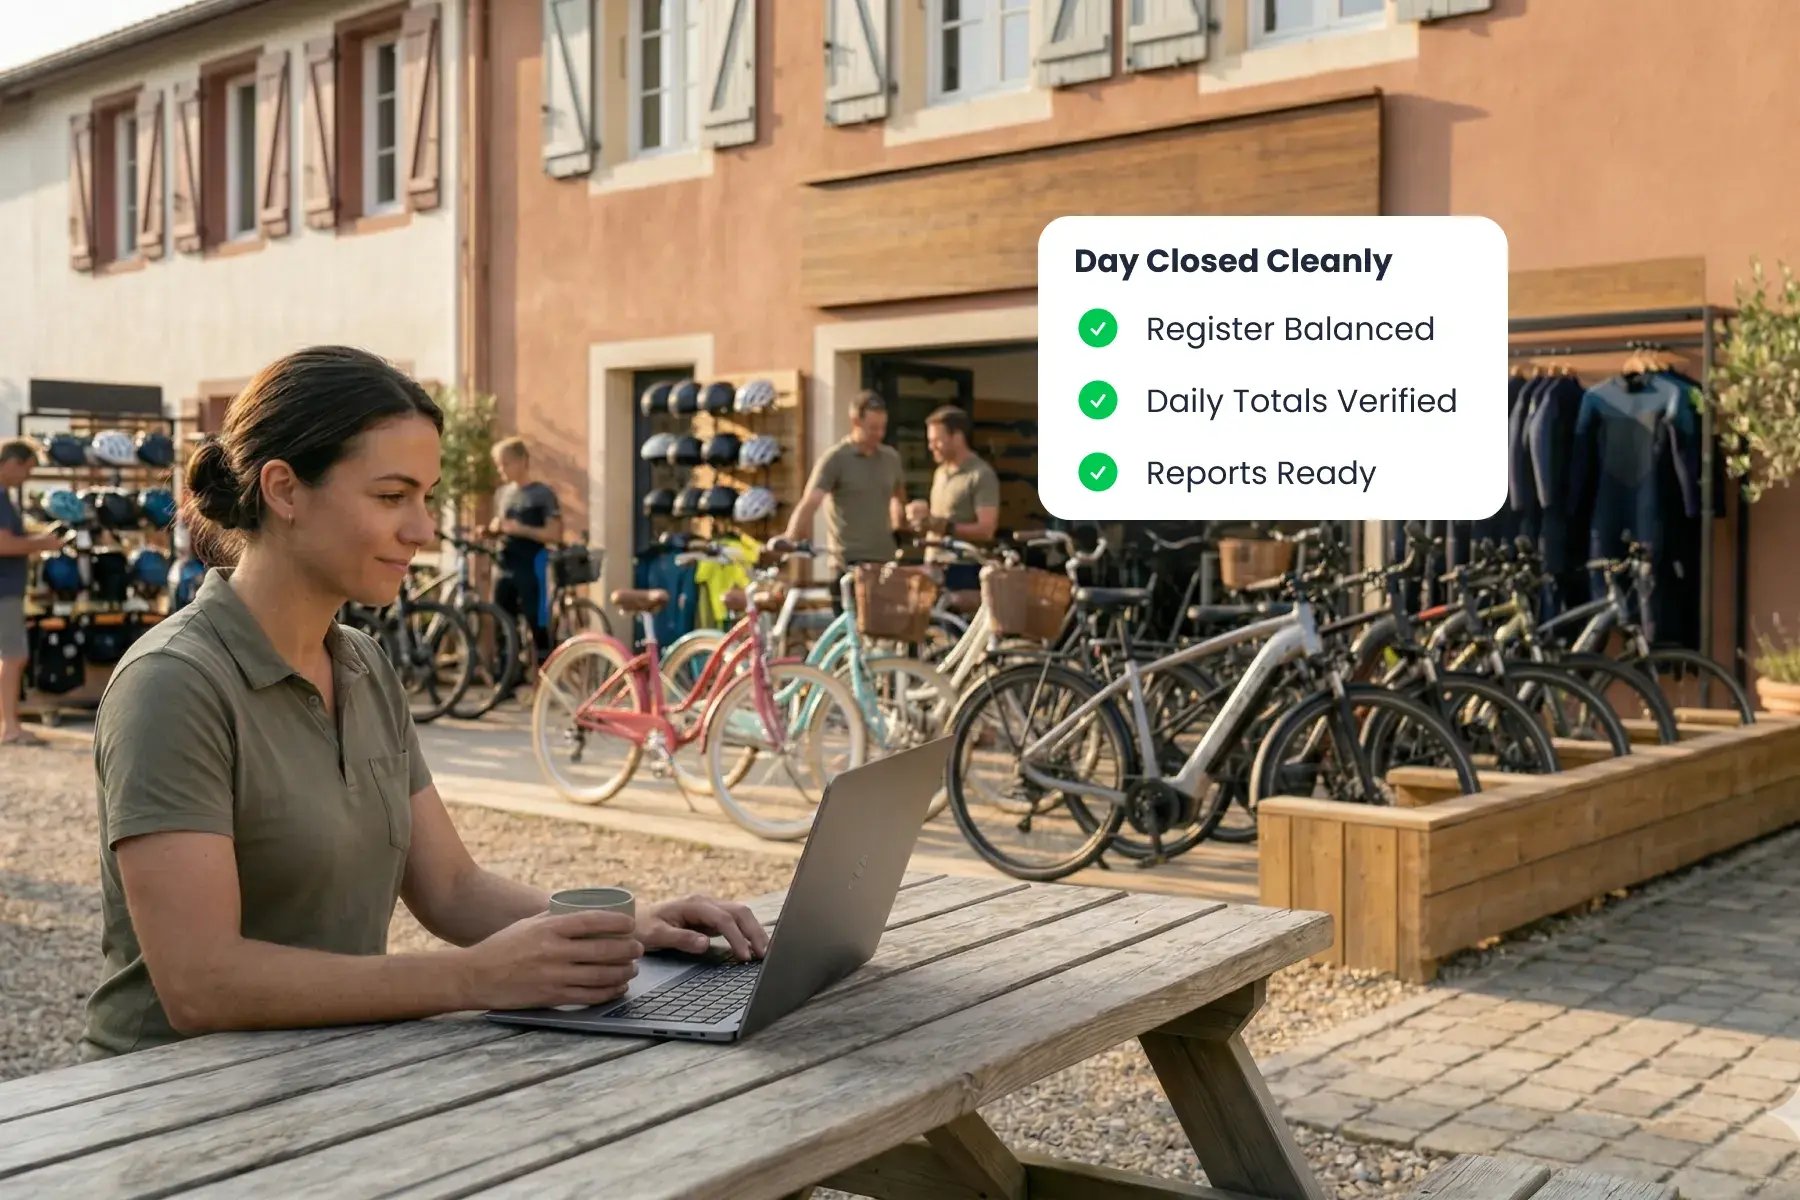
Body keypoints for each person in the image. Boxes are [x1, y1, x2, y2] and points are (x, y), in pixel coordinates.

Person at [84, 347, 767, 1060]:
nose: (424, 530)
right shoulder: (172, 683)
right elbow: (202, 984)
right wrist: (472, 978)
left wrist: (630, 926)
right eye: (391, 497)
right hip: (170, 1107)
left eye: (427, 497)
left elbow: (450, 887)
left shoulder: (361, 663)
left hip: (324, 1074)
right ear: (283, 491)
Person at [777, 391, 906, 593]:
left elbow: (898, 498)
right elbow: (811, 502)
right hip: (848, 563)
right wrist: (790, 538)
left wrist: (902, 524)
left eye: (882, 428)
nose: (879, 434)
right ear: (855, 421)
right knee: (851, 624)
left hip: (885, 561)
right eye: (873, 428)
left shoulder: (891, 458)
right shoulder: (836, 459)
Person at [0, 439, 65, 746]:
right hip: (4, 590)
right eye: (27, 468)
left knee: (10, 657)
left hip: (7, 588)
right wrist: (43, 544)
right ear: (11, 463)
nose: (27, 476)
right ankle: (11, 726)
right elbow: (4, 545)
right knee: (15, 657)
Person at [908, 406, 1000, 592]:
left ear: (957, 437)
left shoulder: (981, 475)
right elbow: (938, 521)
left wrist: (947, 527)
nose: (930, 447)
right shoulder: (940, 473)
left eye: (936, 441)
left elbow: (987, 529)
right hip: (933, 567)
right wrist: (921, 520)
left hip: (962, 569)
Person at [488, 437, 562, 657]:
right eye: (499, 465)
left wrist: (522, 529)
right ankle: (508, 679)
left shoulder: (542, 494)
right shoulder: (502, 494)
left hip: (532, 563)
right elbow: (500, 524)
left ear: (522, 461)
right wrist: (492, 529)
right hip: (504, 563)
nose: (501, 470)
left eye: (506, 463)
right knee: (502, 621)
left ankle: (545, 670)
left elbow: (554, 533)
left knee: (536, 618)